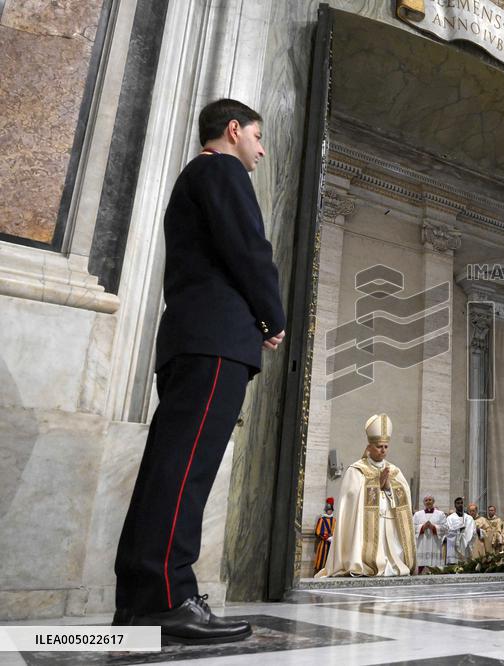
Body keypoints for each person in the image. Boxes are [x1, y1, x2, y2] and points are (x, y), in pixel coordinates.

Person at [113, 99, 284, 644]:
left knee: (169, 469)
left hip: (193, 339)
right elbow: (250, 248)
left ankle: (142, 604)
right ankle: (169, 599)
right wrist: (273, 315)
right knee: (185, 472)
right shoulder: (221, 169)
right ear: (233, 131)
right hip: (214, 341)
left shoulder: (197, 177)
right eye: (256, 137)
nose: (259, 150)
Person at [327, 414, 416, 576]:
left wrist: (388, 487)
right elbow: (351, 499)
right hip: (365, 526)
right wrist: (376, 484)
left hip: (387, 523)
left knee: (392, 562)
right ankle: (364, 564)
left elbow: (404, 495)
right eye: (379, 446)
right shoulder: (356, 470)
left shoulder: (394, 471)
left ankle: (390, 565)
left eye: (386, 447)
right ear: (369, 448)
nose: (383, 450)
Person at [412, 495, 447, 573]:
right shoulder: (417, 514)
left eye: (430, 500)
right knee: (421, 564)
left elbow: (445, 527)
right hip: (421, 544)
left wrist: (434, 527)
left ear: (433, 502)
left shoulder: (440, 514)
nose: (428, 502)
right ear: (424, 503)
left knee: (435, 567)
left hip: (435, 543)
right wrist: (422, 527)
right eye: (426, 500)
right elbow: (412, 527)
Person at [445, 497, 476, 564]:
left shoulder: (469, 518)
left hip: (465, 547)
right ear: (455, 505)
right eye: (458, 503)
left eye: (461, 503)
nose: (460, 505)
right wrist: (458, 530)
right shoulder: (450, 518)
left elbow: (473, 533)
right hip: (453, 548)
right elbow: (447, 532)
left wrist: (468, 532)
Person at [313, 498, 336, 576]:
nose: (330, 511)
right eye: (328, 510)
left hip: (332, 543)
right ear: (326, 510)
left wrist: (334, 537)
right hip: (324, 543)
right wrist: (327, 537)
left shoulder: (335, 520)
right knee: (321, 560)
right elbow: (318, 531)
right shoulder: (321, 519)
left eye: (331, 510)